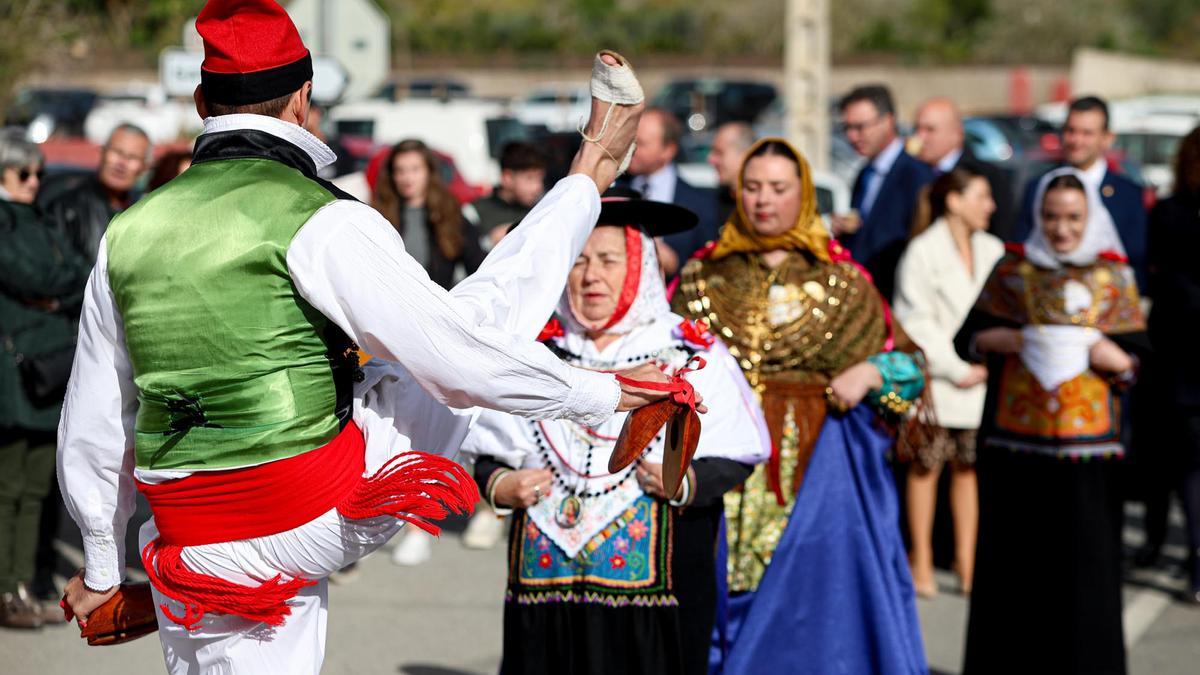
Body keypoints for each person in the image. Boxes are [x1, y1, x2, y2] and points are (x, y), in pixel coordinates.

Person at [57, 2, 661, 671]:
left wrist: (104, 569)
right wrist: (598, 392)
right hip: (303, 514)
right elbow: (455, 358)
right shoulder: (324, 218)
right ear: (304, 101)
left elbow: (95, 417)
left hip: (184, 536)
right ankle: (591, 169)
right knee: (469, 328)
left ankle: (587, 177)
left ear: (202, 100)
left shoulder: (126, 234)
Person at [460, 191, 769, 675]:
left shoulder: (685, 352)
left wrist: (682, 482)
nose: (590, 276)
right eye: (578, 261)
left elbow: (737, 448)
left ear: (641, 267)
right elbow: (485, 443)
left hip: (655, 591)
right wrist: (499, 484)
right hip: (546, 583)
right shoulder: (533, 347)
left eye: (608, 259)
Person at [674, 138, 927, 674]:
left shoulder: (843, 281)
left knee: (803, 614)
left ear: (804, 194)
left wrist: (869, 371)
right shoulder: (701, 276)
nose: (764, 200)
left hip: (811, 471)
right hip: (713, 463)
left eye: (778, 188)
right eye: (753, 186)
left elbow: (909, 368)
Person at [957, 168, 1147, 675]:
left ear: (1091, 219)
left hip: (1089, 455)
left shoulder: (1113, 277)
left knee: (1086, 573)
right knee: (1015, 572)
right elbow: (968, 336)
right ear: (1037, 216)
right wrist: (1007, 341)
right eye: (1052, 217)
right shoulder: (1014, 271)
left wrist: (1116, 358)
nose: (1062, 229)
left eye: (1073, 218)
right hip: (1016, 450)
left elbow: (1138, 358)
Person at [894, 167, 1005, 598]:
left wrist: (988, 362)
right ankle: (920, 557)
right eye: (982, 195)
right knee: (926, 468)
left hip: (983, 381)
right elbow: (915, 320)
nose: (990, 206)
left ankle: (967, 560)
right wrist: (957, 367)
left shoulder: (993, 248)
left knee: (969, 469)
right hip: (938, 383)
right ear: (954, 201)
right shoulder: (922, 251)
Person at [0, 128, 89, 629]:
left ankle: (27, 585)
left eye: (39, 172)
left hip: (49, 366)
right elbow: (29, 275)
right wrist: (55, 293)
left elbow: (80, 272)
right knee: (9, 484)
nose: (34, 181)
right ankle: (6, 588)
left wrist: (52, 297)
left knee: (35, 485)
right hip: (15, 370)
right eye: (23, 173)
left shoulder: (40, 218)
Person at [1143, 126, 1200, 602]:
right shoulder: (1168, 213)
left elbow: (1158, 283)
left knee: (1191, 469)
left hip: (1181, 359)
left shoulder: (1168, 214)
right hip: (1182, 358)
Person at [1015, 96, 1148, 290]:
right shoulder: (1039, 186)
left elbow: (1136, 261)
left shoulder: (1128, 194)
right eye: (1071, 131)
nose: (1076, 140)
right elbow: (1023, 249)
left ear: (1107, 138)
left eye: (1087, 133)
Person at [833, 84, 934, 302]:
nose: (852, 136)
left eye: (860, 127)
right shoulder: (864, 173)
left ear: (888, 121)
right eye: (847, 128)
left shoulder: (915, 174)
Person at [370, 138, 486, 290]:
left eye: (415, 169)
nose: (407, 178)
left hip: (438, 307)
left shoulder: (450, 215)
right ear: (392, 175)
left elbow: (478, 269)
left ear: (429, 172)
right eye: (400, 170)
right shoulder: (377, 216)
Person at [624, 107, 719, 276]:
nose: (631, 150)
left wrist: (675, 263)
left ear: (668, 150)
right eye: (630, 141)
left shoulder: (700, 204)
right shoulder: (614, 189)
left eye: (641, 144)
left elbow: (710, 268)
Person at [41, 122, 151, 261]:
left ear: (144, 167)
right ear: (102, 152)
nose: (122, 163)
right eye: (117, 152)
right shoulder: (67, 207)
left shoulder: (145, 212)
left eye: (132, 157)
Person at [911, 97, 1015, 240]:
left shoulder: (987, 176)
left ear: (957, 134)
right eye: (917, 128)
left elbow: (1002, 232)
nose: (920, 137)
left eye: (930, 130)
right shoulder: (912, 174)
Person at [462, 141, 548, 250]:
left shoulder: (542, 209)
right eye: (529, 178)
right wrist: (490, 242)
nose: (538, 187)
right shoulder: (473, 212)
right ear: (507, 178)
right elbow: (464, 256)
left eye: (540, 178)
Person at [707, 122, 755, 224]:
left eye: (719, 152)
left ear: (745, 155)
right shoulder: (712, 204)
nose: (711, 159)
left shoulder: (762, 207)